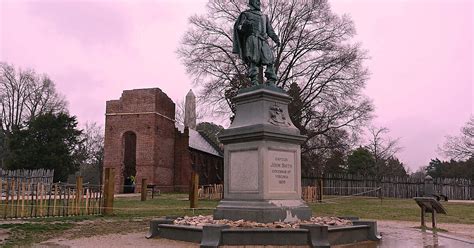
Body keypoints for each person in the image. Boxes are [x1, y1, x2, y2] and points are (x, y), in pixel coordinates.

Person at [233, 0, 280, 86]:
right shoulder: (246, 14)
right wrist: (244, 26)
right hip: (252, 39)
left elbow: (270, 30)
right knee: (253, 59)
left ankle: (271, 79)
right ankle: (254, 80)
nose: (258, 3)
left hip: (263, 40)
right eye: (256, 1)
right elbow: (239, 27)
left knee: (269, 59)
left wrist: (276, 39)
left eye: (259, 1)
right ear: (251, 3)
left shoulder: (264, 16)